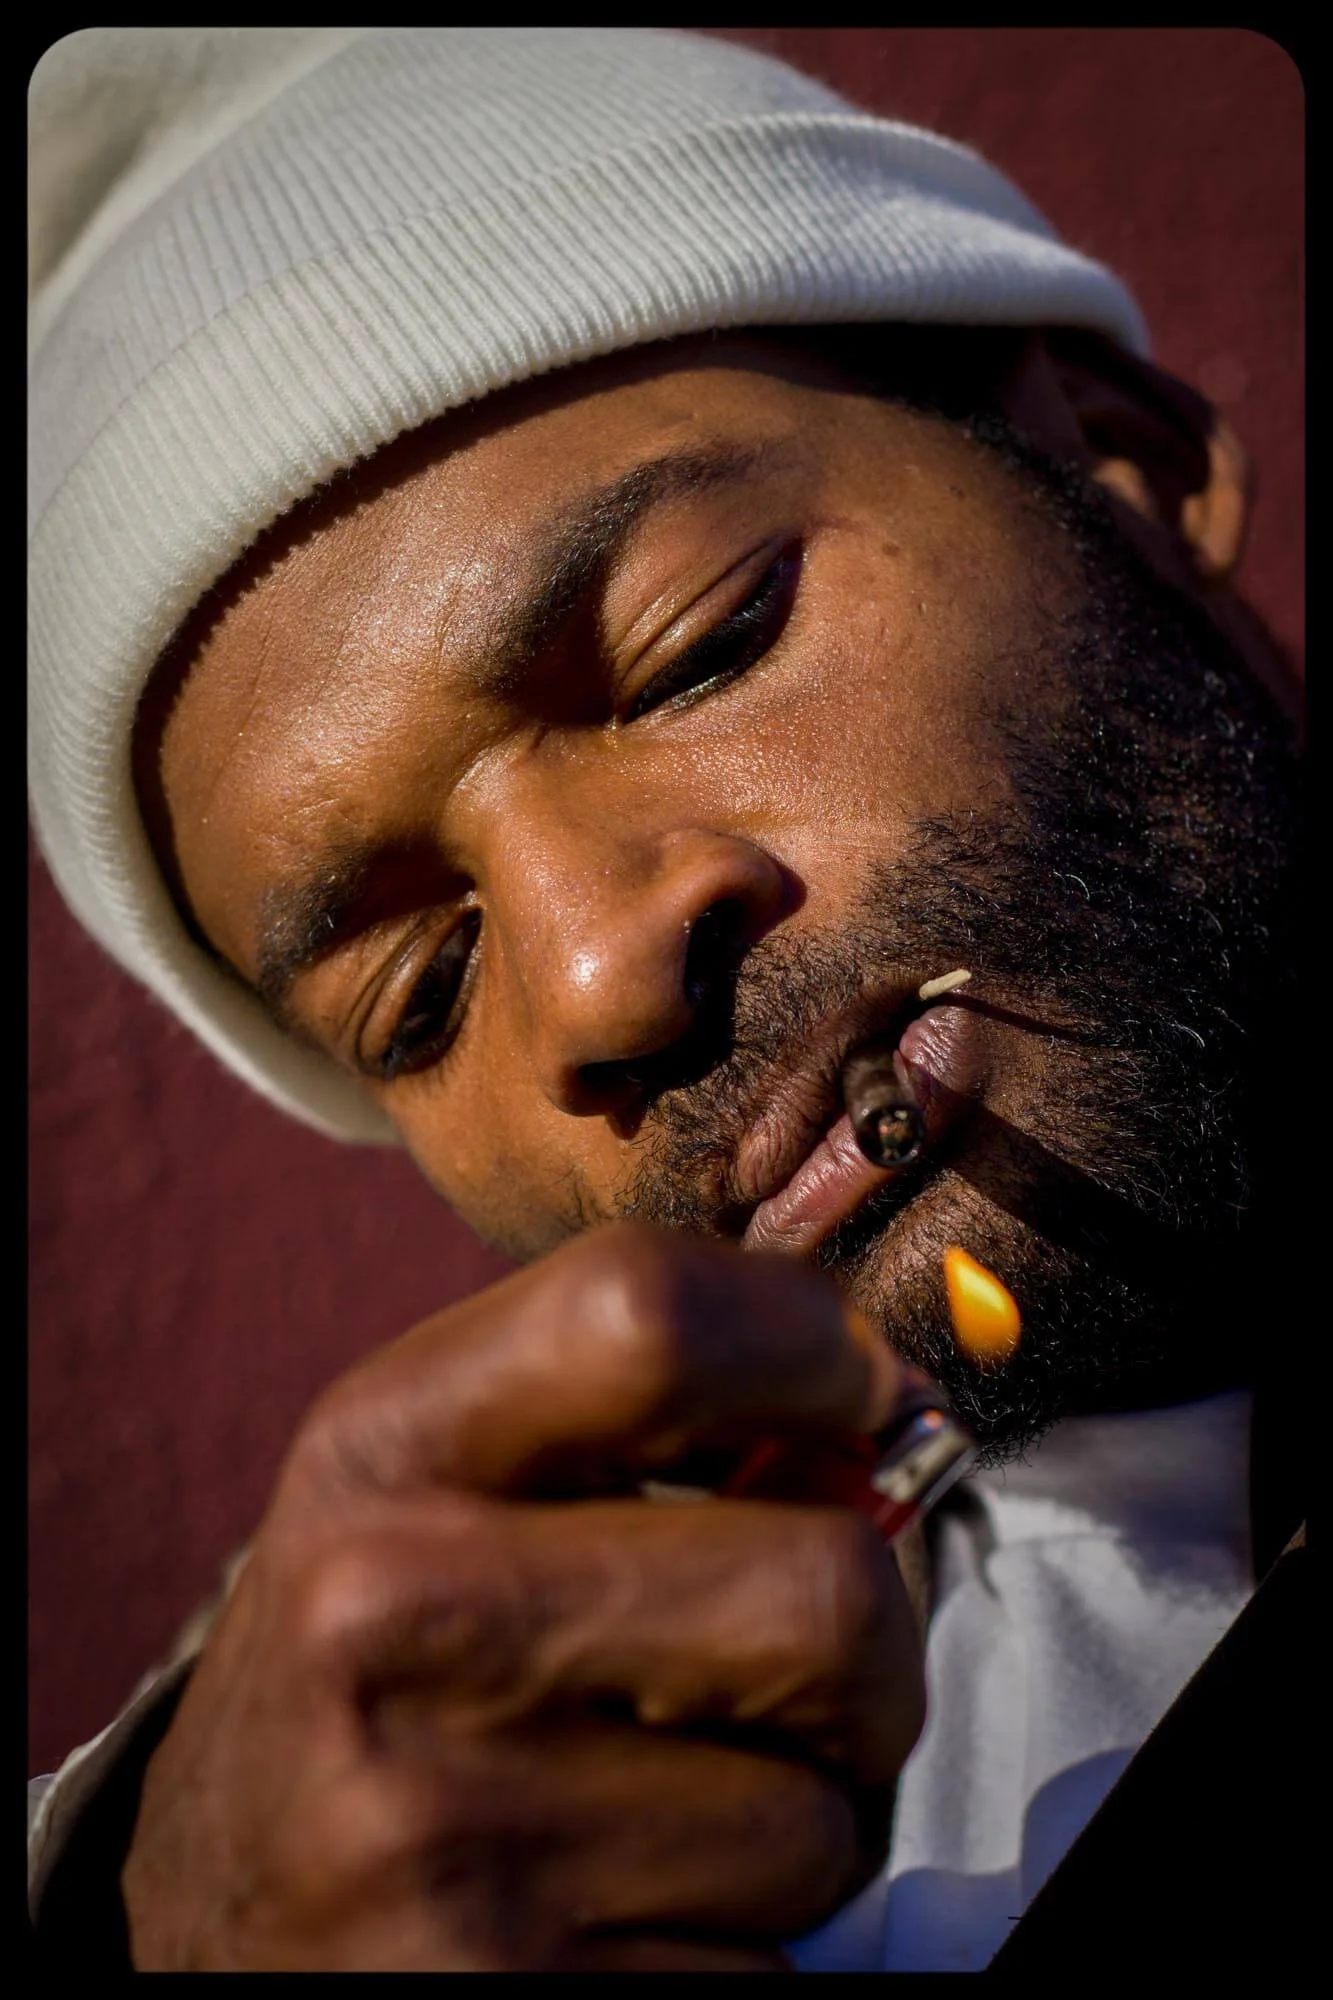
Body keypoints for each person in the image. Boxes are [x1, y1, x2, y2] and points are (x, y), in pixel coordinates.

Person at [28, 28, 1305, 1974]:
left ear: (1123, 467)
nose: (596, 979)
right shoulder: (554, 1827)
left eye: (699, 649)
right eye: (421, 989)